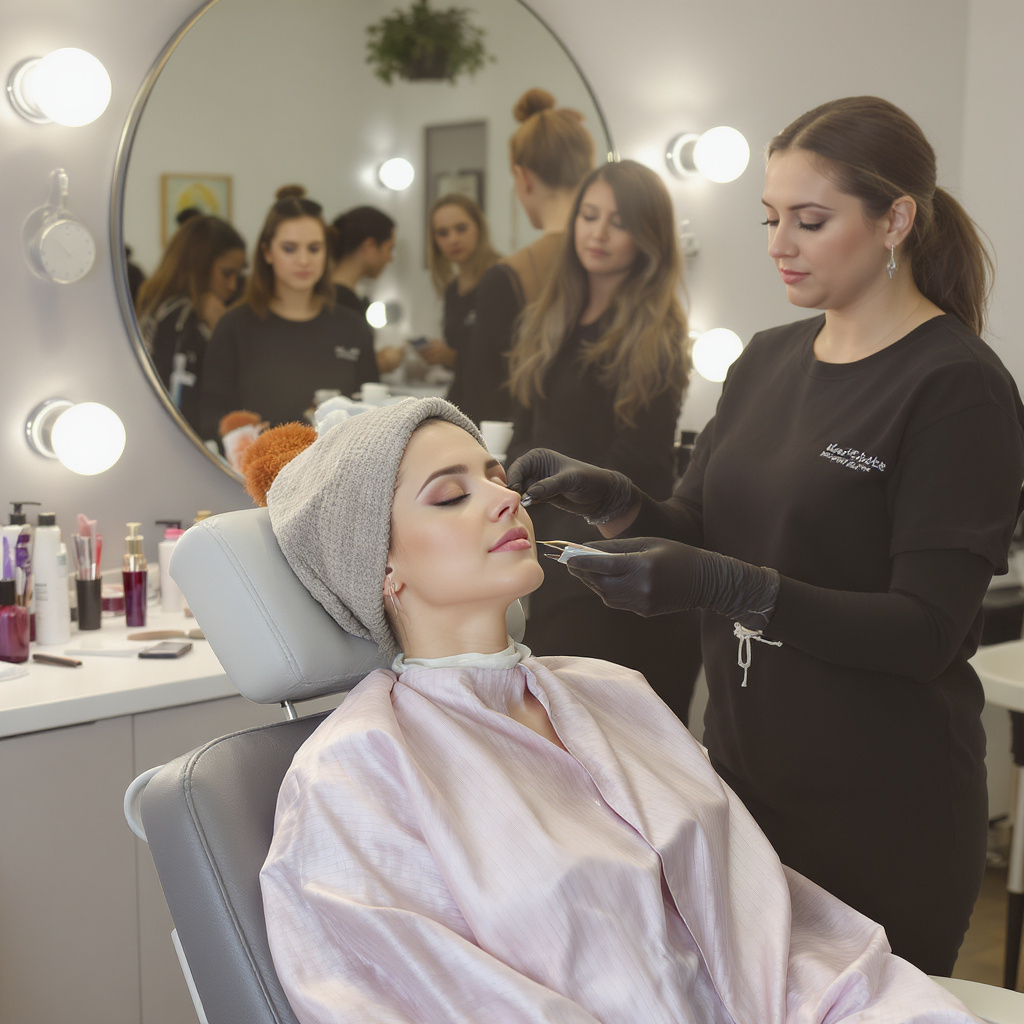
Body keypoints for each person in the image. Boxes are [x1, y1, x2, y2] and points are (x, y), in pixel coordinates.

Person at [247, 397, 980, 1023]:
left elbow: (775, 936)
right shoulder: (354, 775)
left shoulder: (611, 693)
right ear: (380, 570)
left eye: (494, 476)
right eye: (451, 495)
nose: (504, 498)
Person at [508, 95, 1024, 976]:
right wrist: (616, 501)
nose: (780, 243)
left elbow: (926, 631)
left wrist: (727, 586)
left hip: (885, 808)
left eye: (811, 221)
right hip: (746, 788)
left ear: (896, 217)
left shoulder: (955, 388)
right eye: (772, 218)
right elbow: (698, 530)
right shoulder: (765, 359)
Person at [503, 159, 699, 724]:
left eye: (618, 222)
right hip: (551, 555)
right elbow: (528, 435)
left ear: (648, 238)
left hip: (609, 569)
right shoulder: (548, 318)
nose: (597, 233)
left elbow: (636, 470)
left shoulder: (656, 338)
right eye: (589, 216)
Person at [456, 88, 595, 426]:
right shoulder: (618, 258)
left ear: (523, 177)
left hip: (533, 456)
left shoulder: (508, 277)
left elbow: (480, 398)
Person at [198, 186, 378, 443]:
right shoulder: (234, 327)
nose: (304, 260)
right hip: (250, 478)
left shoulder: (353, 327)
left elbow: (372, 419)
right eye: (290, 249)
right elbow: (212, 421)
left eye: (314, 248)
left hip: (337, 476)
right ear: (267, 253)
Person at [136, 214, 246, 433]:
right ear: (200, 266)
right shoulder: (182, 318)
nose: (233, 286)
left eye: (237, 275)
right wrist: (220, 328)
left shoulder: (158, 306)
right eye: (226, 274)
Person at [420, 192, 501, 410]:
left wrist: (453, 357)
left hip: (498, 405)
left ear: (478, 228)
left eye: (461, 228)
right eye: (443, 233)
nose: (453, 239)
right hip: (462, 401)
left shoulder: (500, 279)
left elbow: (505, 357)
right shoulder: (452, 290)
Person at [329, 205, 404, 375]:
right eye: (389, 249)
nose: (390, 258)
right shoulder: (343, 304)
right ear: (370, 246)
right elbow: (343, 369)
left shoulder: (344, 298)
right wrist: (382, 364)